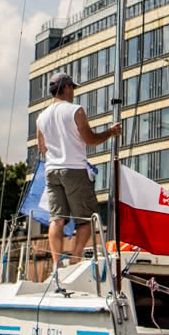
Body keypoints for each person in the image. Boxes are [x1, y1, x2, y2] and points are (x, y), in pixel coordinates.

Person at [35, 70, 121, 266]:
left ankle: (57, 263)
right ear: (66, 88)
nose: (73, 92)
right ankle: (75, 257)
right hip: (74, 169)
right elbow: (90, 140)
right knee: (87, 220)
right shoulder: (76, 110)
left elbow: (42, 148)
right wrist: (111, 132)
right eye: (72, 88)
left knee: (56, 219)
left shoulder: (41, 117)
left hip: (51, 171)